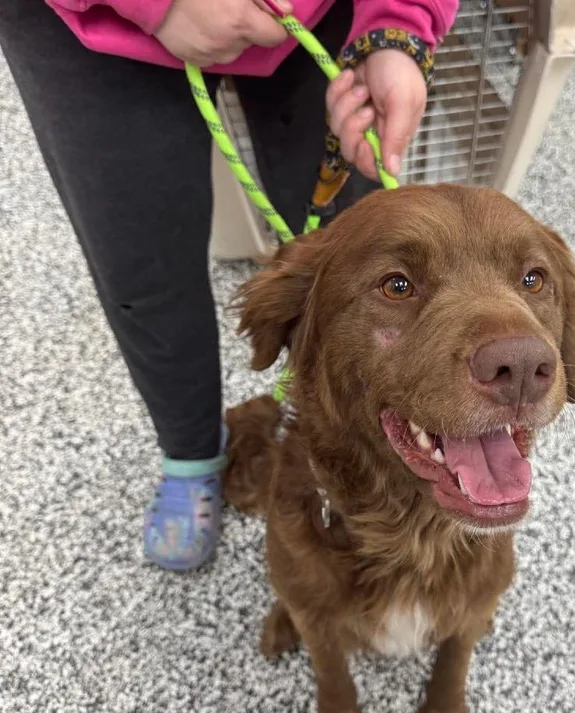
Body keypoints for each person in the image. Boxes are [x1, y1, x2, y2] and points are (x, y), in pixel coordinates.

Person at [0, 0, 457, 570]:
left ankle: (366, 442)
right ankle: (191, 455)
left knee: (367, 264)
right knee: (142, 264)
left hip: (323, 16)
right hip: (92, 32)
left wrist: (399, 25)